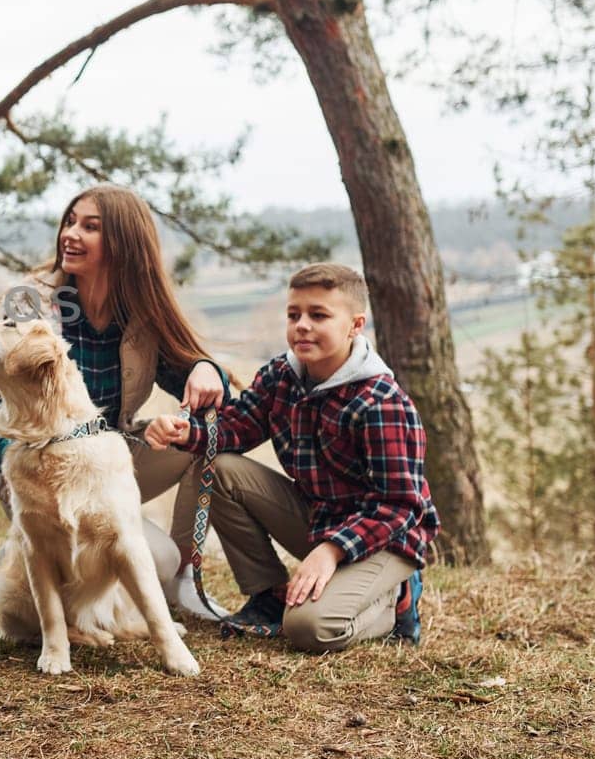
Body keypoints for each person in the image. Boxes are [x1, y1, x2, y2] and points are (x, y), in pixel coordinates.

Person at [144, 262, 439, 651]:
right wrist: (186, 432)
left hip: (386, 539)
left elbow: (401, 507)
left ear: (355, 325)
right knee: (219, 468)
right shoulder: (283, 374)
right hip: (319, 521)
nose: (302, 325)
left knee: (308, 629)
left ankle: (396, 602)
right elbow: (236, 428)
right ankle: (267, 595)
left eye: (318, 315)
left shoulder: (380, 402)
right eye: (294, 314)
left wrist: (332, 551)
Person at [0, 185, 232, 620]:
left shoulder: (141, 313)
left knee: (167, 556)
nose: (70, 234)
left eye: (90, 227)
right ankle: (30, 540)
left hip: (105, 467)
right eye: (70, 221)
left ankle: (187, 582)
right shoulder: (30, 302)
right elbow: (0, 406)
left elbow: (192, 373)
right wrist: (20, 481)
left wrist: (206, 368)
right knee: (136, 558)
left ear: (124, 244)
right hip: (39, 472)